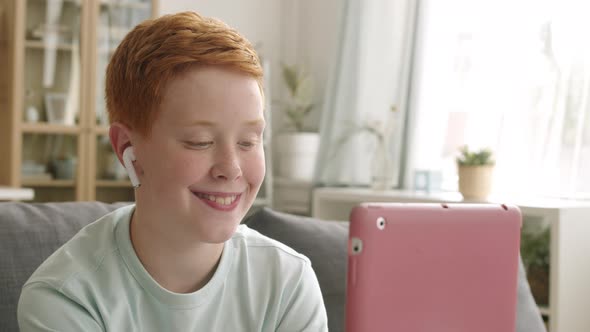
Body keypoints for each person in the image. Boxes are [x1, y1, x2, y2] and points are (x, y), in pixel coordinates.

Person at [18, 11, 328, 331]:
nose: (231, 168)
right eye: (200, 141)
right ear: (129, 150)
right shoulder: (65, 299)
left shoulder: (288, 283)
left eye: (249, 141)